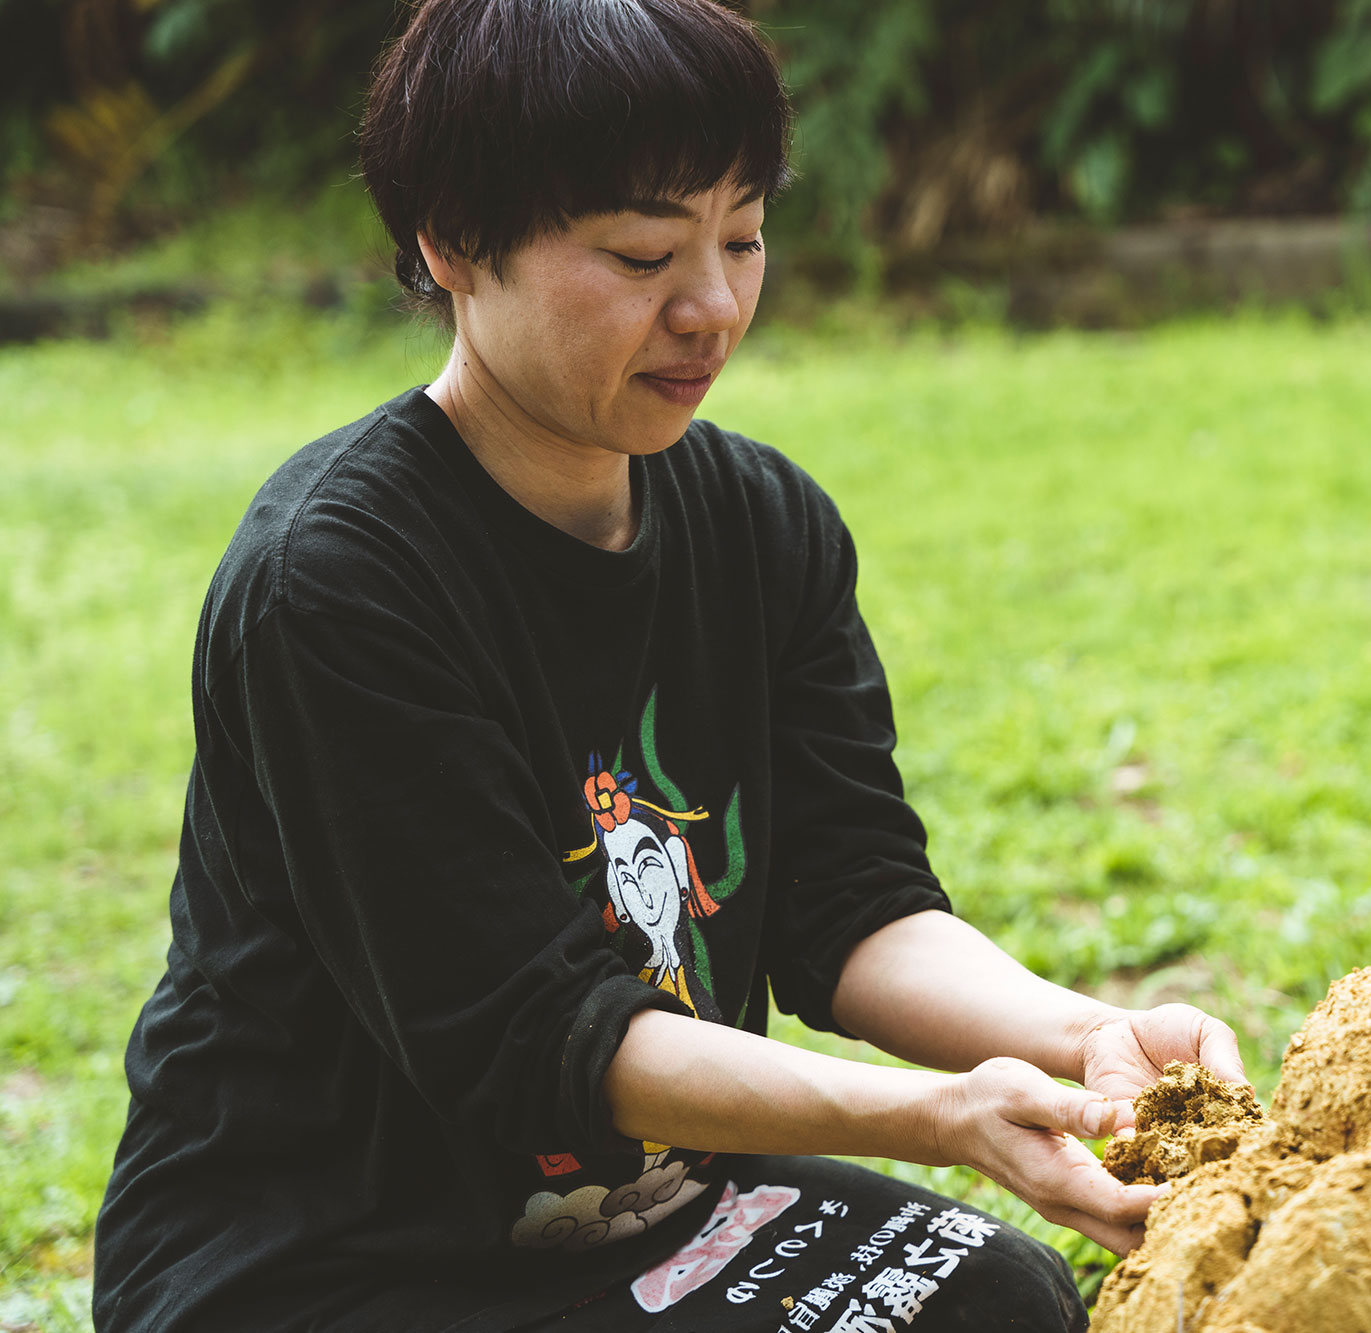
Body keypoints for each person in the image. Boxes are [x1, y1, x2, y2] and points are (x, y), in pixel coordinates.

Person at [91, 1, 1245, 1329]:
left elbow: (854, 902)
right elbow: (543, 1037)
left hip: (646, 1216)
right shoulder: (339, 582)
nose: (711, 306)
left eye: (743, 236)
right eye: (644, 252)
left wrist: (1082, 1038)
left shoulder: (765, 525)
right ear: (453, 243)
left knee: (999, 1300)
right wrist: (945, 1116)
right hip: (327, 1263)